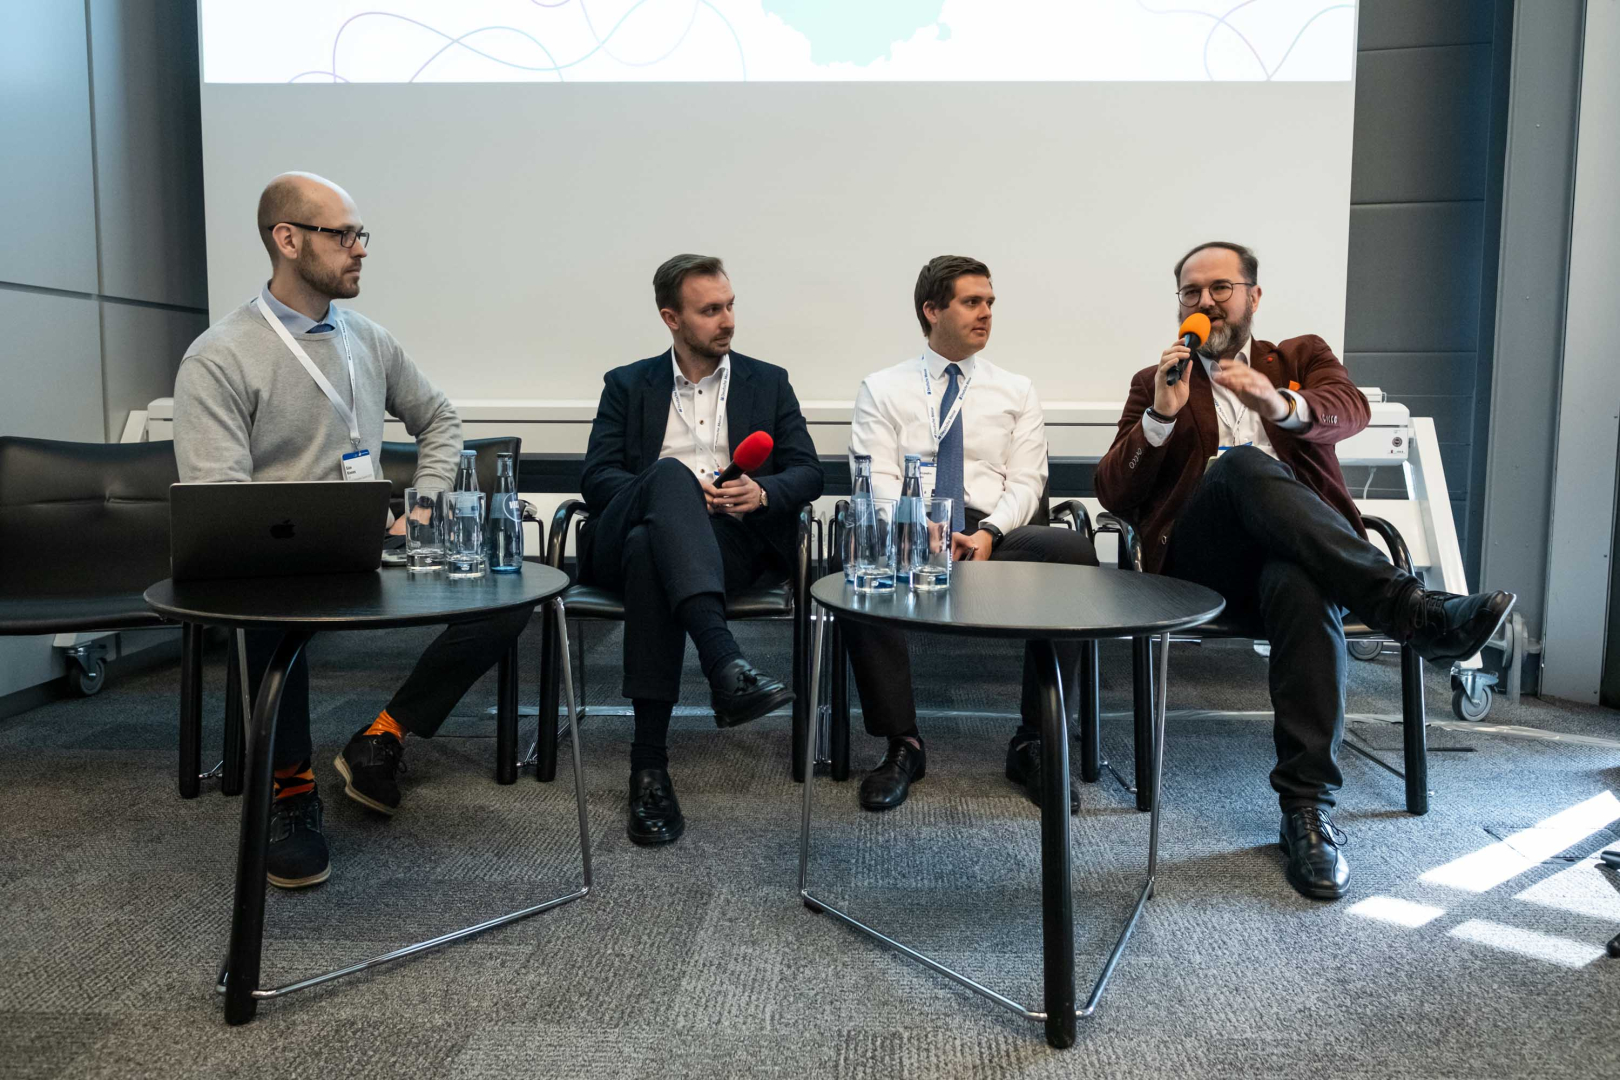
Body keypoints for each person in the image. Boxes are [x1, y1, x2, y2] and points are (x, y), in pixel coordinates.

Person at [1095, 240, 1515, 901]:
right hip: (1204, 570)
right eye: (1191, 292)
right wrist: (1158, 417)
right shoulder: (1158, 379)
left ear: (1253, 297)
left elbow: (1349, 409)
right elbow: (1114, 495)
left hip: (1305, 561)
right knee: (1240, 464)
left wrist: (1280, 405)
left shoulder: (1298, 358)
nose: (1205, 301)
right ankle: (1412, 611)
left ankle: (1307, 814)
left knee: (1301, 580)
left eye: (1220, 288)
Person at [173, 172, 530, 889]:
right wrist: (292, 532)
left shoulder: (368, 339)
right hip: (282, 563)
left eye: (360, 234)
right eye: (343, 235)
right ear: (288, 239)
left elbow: (440, 419)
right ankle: (292, 791)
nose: (360, 249)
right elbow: (219, 502)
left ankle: (383, 735)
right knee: (268, 613)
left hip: (376, 551)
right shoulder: (220, 356)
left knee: (509, 594)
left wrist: (423, 505)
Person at [579, 254, 824, 846]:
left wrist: (762, 492)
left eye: (730, 305)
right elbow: (598, 477)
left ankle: (648, 766)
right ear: (672, 318)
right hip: (625, 535)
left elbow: (809, 472)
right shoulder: (627, 383)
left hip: (729, 545)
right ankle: (724, 663)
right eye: (710, 310)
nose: (728, 320)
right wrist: (675, 490)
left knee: (651, 551)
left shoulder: (769, 381)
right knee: (667, 480)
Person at [842, 256, 1099, 813]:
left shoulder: (1016, 390)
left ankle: (1033, 742)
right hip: (912, 533)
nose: (986, 313)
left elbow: (1028, 479)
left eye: (990, 303)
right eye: (972, 302)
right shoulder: (882, 388)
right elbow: (877, 476)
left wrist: (986, 532)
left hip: (995, 534)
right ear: (932, 310)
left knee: (1073, 552)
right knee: (861, 573)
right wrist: (919, 527)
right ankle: (903, 744)